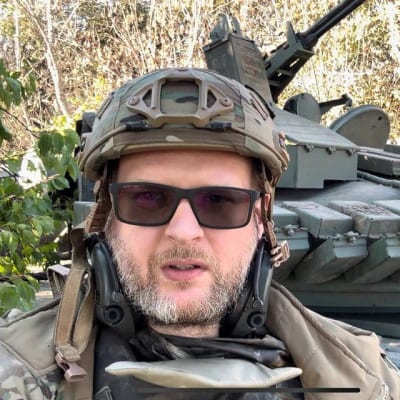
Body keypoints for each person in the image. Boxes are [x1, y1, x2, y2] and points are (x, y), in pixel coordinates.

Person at [0, 68, 399, 400]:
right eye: (147, 198)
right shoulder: (15, 372)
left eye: (219, 201)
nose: (184, 232)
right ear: (105, 218)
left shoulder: (365, 378)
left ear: (261, 218)